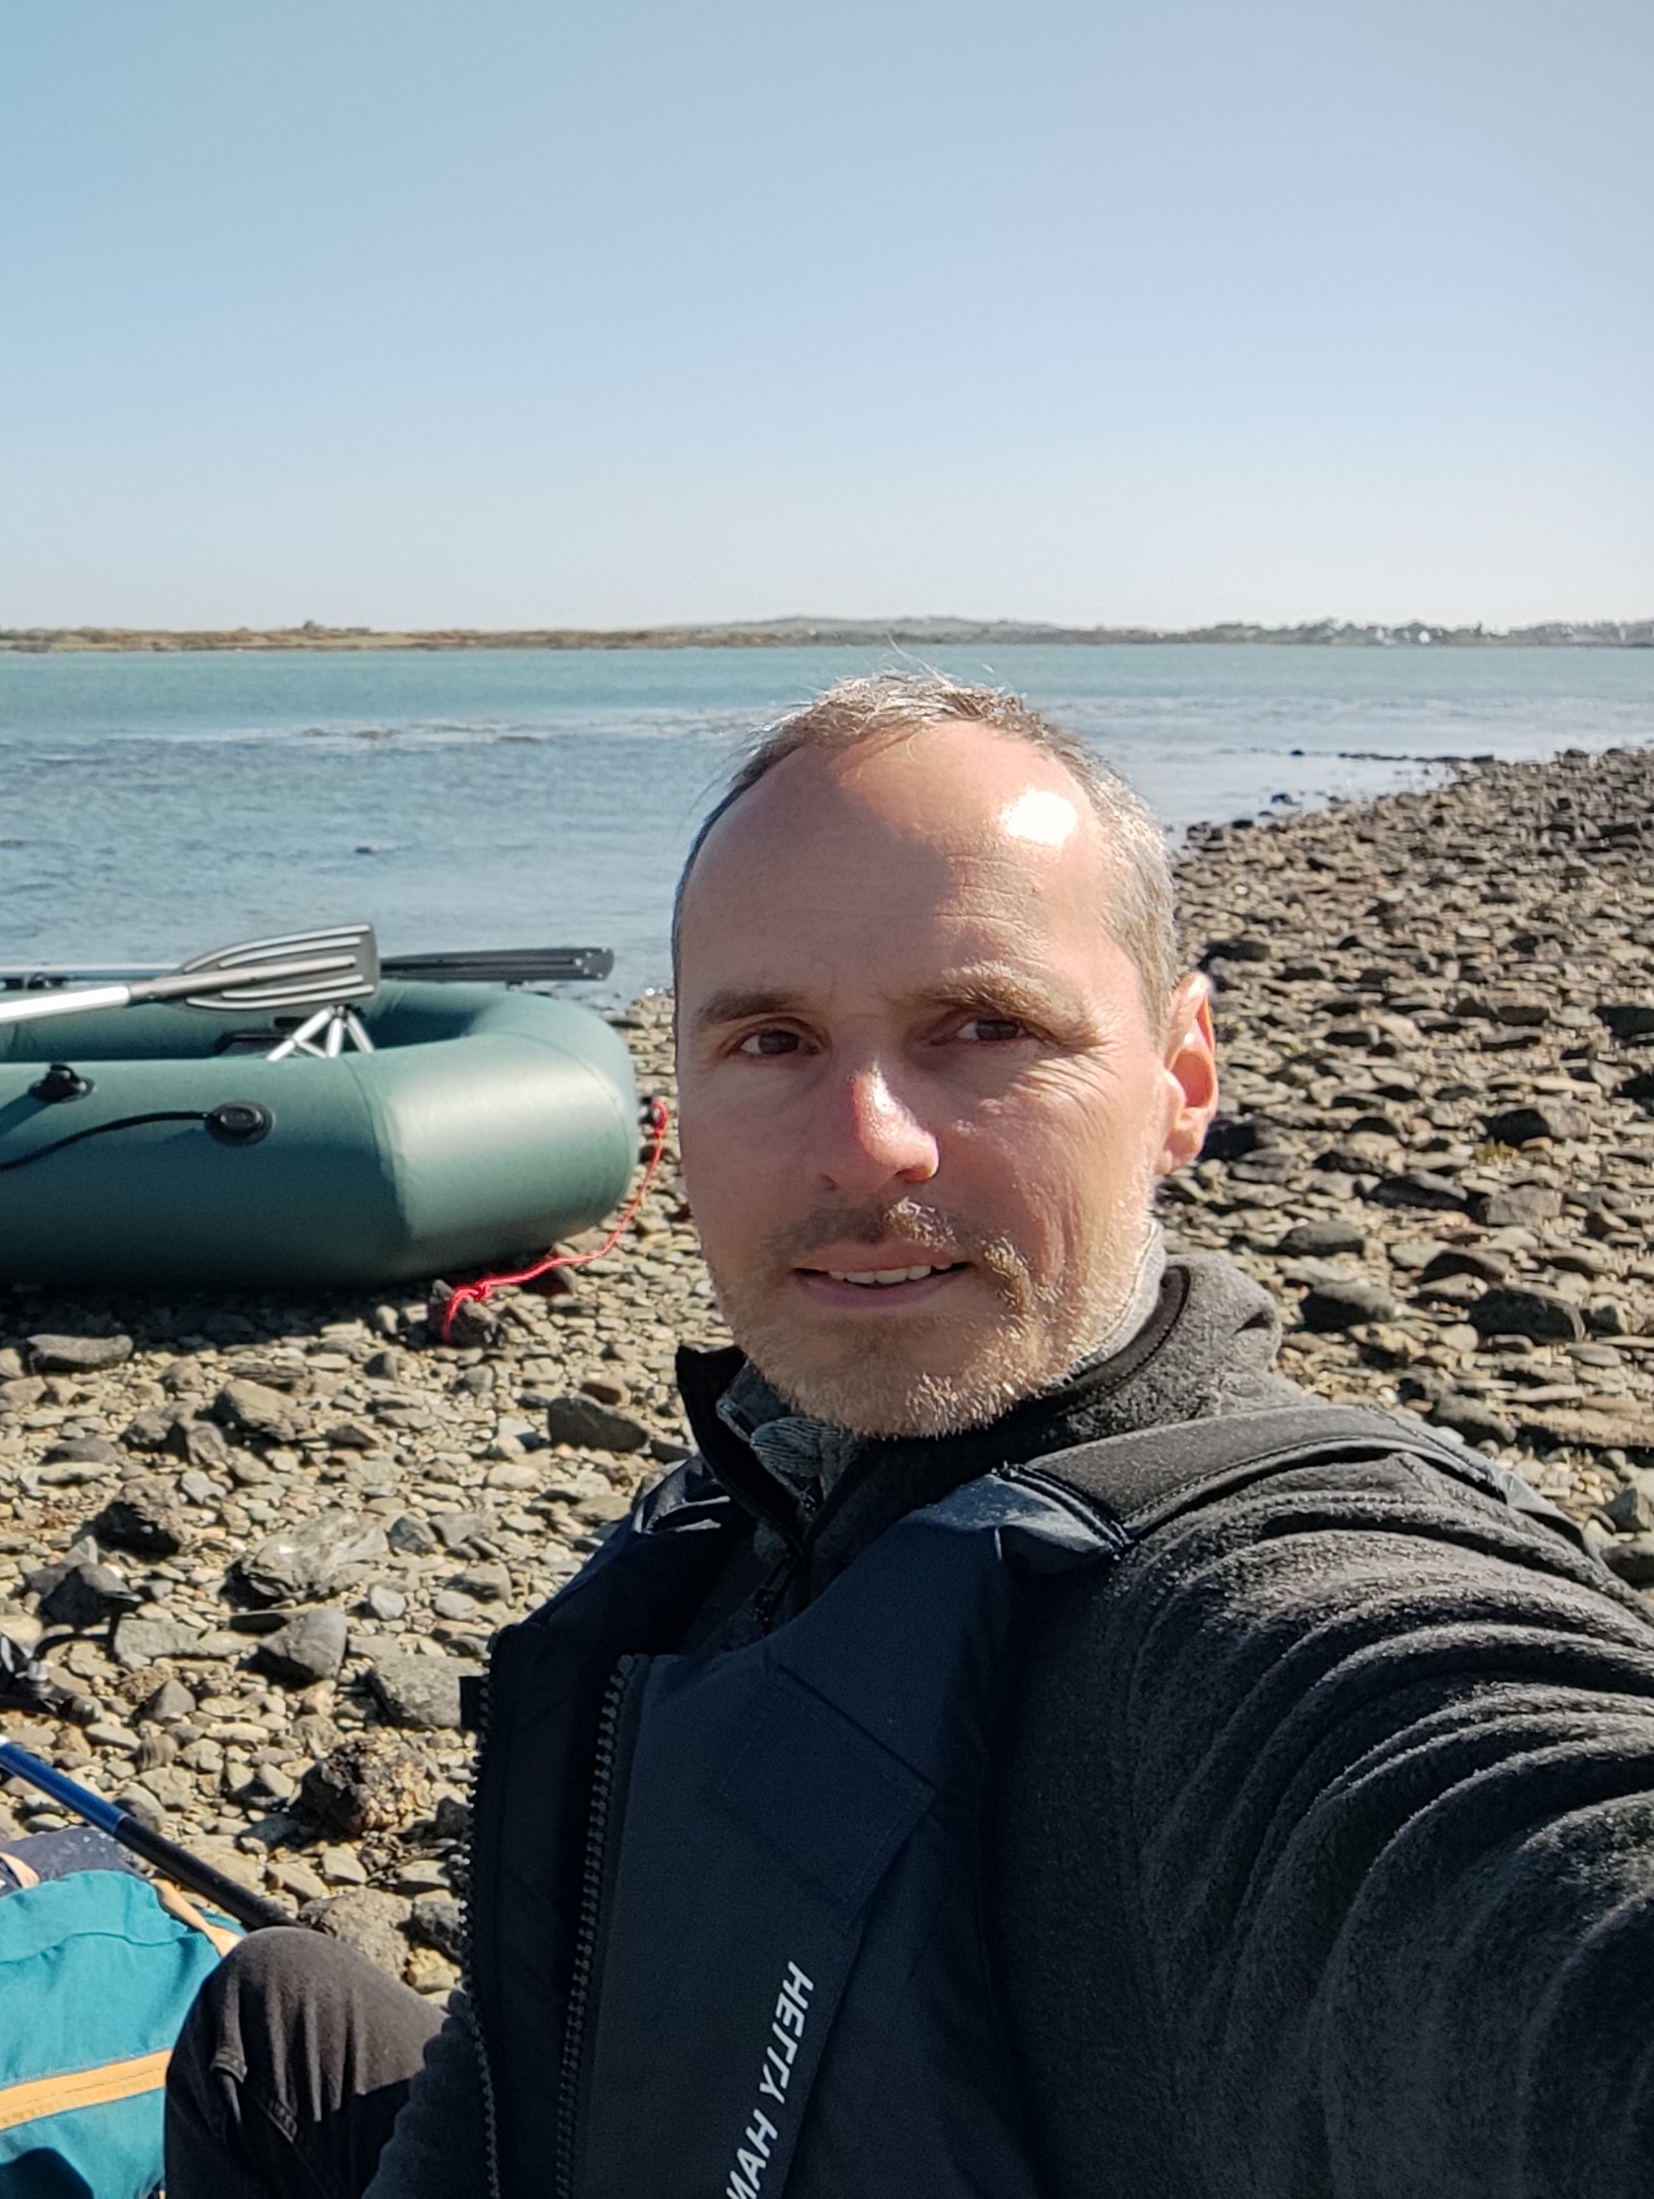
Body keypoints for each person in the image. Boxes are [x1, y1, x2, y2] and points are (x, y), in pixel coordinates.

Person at [164, 673, 1654, 2199]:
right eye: (773, 1040)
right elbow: (511, 2053)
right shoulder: (742, 1505)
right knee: (270, 2016)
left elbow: (1523, 1880)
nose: (868, 1141)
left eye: (983, 1025)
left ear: (1182, 1078)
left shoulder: (1259, 1632)